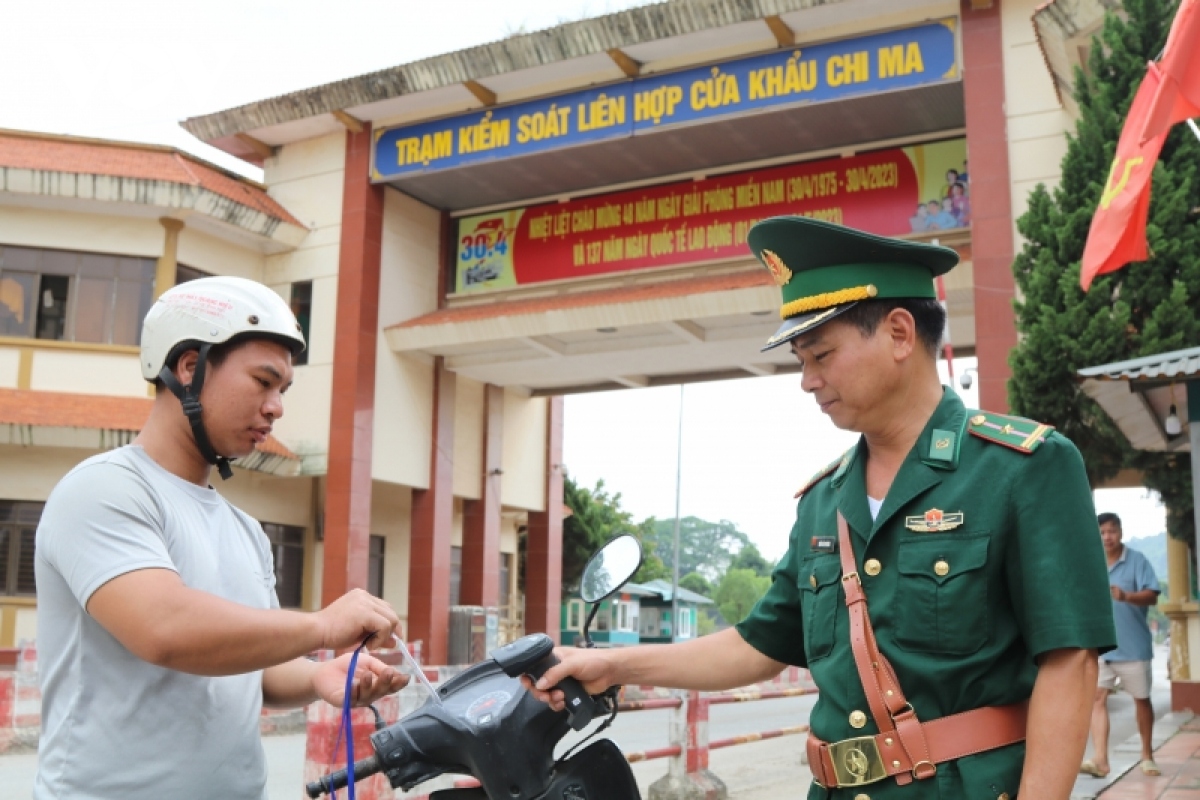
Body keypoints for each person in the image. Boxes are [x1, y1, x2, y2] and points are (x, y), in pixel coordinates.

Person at [528, 216, 1117, 799]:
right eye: (801, 361)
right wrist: (613, 666)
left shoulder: (1023, 468)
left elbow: (1070, 663)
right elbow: (759, 645)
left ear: (898, 334)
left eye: (822, 355)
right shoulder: (824, 501)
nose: (807, 381)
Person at [34, 276, 407, 800]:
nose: (276, 407)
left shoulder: (245, 530)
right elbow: (164, 629)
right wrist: (322, 626)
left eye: (283, 391)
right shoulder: (104, 490)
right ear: (190, 367)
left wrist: (320, 677)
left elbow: (251, 665)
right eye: (263, 381)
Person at [1080, 512, 1162, 779]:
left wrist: (1126, 596)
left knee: (1141, 701)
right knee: (1097, 699)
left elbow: (1152, 596)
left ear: (1121, 533)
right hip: (1101, 648)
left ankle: (1147, 755)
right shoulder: (1090, 563)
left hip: (1134, 648)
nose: (1107, 537)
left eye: (1112, 531)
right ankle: (1101, 760)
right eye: (1102, 532)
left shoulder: (1137, 561)